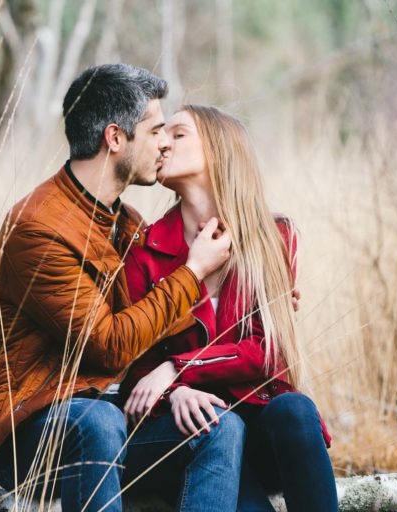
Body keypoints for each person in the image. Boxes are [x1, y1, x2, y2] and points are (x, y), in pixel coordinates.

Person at [0, 65, 245, 512]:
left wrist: (249, 294)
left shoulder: (129, 224)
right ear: (115, 138)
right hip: (30, 434)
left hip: (111, 416)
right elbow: (109, 346)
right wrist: (193, 270)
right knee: (97, 421)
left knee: (217, 425)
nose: (164, 143)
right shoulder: (38, 229)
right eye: (156, 129)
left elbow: (158, 324)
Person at [121, 105, 339, 512]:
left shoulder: (274, 237)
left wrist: (178, 369)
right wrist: (177, 392)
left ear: (219, 151)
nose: (163, 142)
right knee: (221, 433)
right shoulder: (145, 252)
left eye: (179, 134)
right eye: (163, 134)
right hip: (200, 433)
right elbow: (137, 366)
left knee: (295, 408)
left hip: (266, 429)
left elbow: (265, 350)